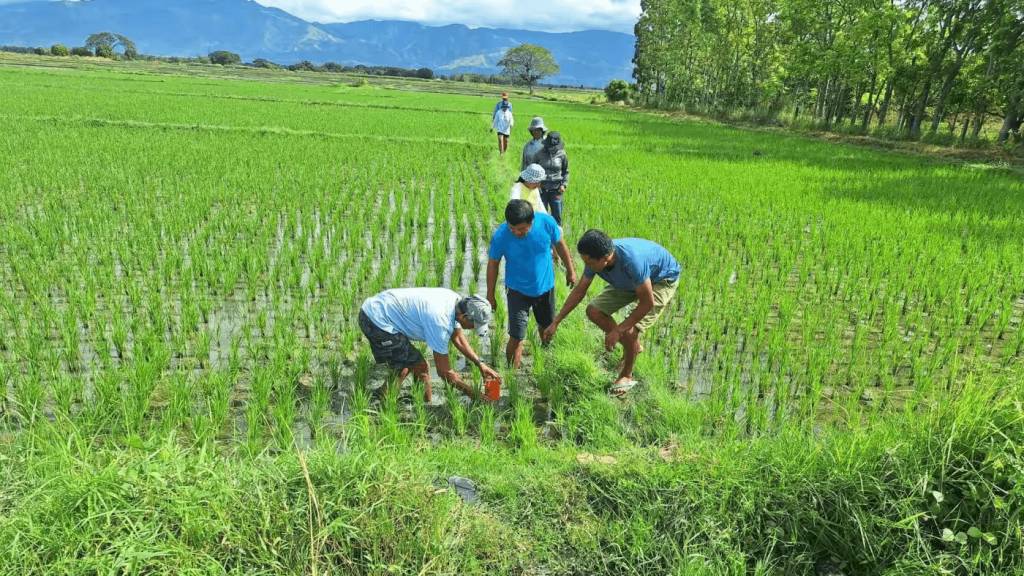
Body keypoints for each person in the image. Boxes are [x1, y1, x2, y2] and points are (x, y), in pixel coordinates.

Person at [542, 229, 680, 397]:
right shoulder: (596, 258)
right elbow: (580, 291)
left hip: (660, 280)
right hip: (629, 281)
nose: (588, 266)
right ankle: (633, 347)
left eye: (591, 262)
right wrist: (557, 321)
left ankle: (626, 375)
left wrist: (618, 329)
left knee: (630, 331)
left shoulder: (631, 262)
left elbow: (647, 302)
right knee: (594, 311)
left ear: (606, 258)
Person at [359, 288, 501, 402]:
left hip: (380, 309)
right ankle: (389, 402)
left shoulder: (456, 302)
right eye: (473, 325)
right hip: (376, 319)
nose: (472, 329)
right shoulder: (440, 321)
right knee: (415, 365)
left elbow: (458, 337)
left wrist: (480, 363)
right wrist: (473, 393)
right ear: (463, 317)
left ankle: (415, 400)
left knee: (408, 364)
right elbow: (444, 372)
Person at [487, 200, 577, 368]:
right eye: (512, 228)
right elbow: (493, 264)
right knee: (517, 336)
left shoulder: (546, 223)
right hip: (517, 290)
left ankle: (545, 358)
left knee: (547, 327)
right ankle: (512, 375)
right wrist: (490, 295)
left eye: (521, 229)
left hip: (545, 288)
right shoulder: (501, 235)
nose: (516, 232)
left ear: (532, 221)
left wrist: (570, 271)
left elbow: (560, 245)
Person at [535, 131, 569, 226]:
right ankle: (544, 239)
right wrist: (537, 184)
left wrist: (564, 185)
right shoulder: (539, 154)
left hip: (556, 190)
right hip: (542, 190)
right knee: (542, 216)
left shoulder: (562, 155)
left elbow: (566, 172)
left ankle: (557, 239)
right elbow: (533, 169)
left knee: (557, 217)